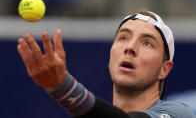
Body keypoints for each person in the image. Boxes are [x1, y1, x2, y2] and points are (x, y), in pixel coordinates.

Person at [17, 8, 196, 118]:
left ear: (164, 70)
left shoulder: (180, 114)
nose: (130, 48)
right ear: (110, 57)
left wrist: (63, 87)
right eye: (123, 38)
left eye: (147, 43)